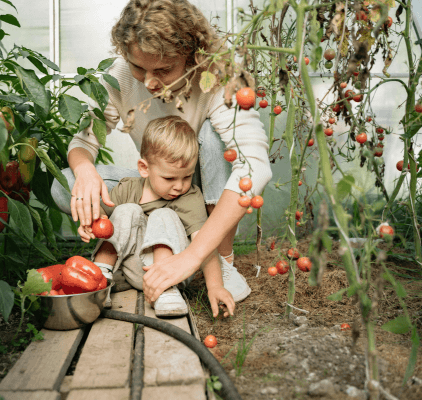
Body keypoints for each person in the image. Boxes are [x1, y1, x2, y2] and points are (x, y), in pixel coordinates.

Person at [51, 0, 272, 305]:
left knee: (214, 138)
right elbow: (83, 142)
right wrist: (85, 171)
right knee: (65, 186)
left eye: (164, 70)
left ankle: (220, 257)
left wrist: (194, 256)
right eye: (138, 67)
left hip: (197, 185)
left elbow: (254, 166)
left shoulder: (220, 76)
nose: (149, 82)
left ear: (193, 55)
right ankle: (143, 244)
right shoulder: (119, 77)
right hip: (159, 182)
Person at [78, 116, 235, 318]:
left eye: (187, 176)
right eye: (169, 178)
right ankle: (100, 277)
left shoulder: (189, 197)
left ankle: (165, 289)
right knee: (126, 211)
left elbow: (205, 244)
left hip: (174, 272)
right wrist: (91, 221)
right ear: (144, 168)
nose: (179, 186)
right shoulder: (128, 188)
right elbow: (102, 219)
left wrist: (215, 286)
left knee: (164, 214)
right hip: (128, 270)